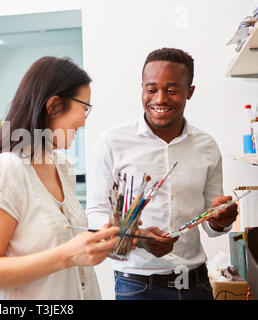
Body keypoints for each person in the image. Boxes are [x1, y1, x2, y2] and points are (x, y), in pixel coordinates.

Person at [86, 48, 238, 300]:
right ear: (141, 89)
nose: (159, 98)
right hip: (136, 285)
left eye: (172, 89)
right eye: (151, 89)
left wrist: (220, 220)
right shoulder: (112, 141)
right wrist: (135, 236)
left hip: (195, 284)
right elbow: (95, 213)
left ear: (190, 92)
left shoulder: (207, 145)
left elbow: (212, 225)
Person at [0, 56, 126, 300]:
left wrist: (100, 243)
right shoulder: (6, 169)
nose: (85, 121)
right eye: (84, 108)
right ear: (53, 105)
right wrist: (67, 255)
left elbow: (65, 247)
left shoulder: (62, 166)